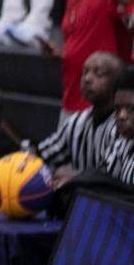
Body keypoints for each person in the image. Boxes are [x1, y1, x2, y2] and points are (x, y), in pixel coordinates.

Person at [38, 0, 133, 116]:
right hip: (70, 100)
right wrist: (61, 54)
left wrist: (127, 4)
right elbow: (79, 44)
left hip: (101, 107)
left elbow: (130, 19)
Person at [38, 51, 123, 183]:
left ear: (117, 84)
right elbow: (46, 153)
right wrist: (26, 158)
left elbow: (110, 175)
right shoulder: (77, 121)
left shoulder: (123, 126)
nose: (87, 79)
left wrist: (76, 177)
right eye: (85, 72)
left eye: (98, 74)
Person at [104, 67, 134, 185]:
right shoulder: (123, 142)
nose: (121, 116)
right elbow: (105, 177)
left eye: (131, 109)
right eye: (117, 109)